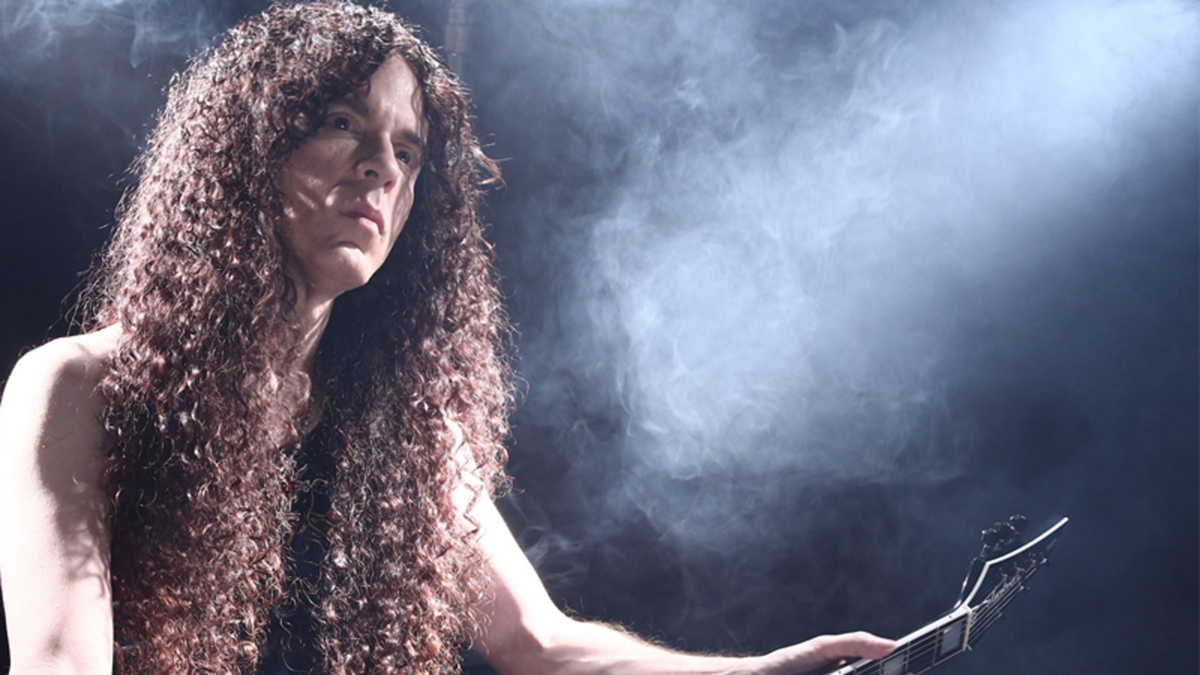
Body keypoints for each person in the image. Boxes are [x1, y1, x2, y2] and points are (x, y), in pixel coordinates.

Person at [0, 3, 897, 674]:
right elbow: (59, 664)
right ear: (249, 148)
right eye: (343, 122)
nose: (381, 168)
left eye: (408, 150)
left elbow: (542, 643)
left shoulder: (404, 429)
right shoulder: (77, 386)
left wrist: (753, 672)